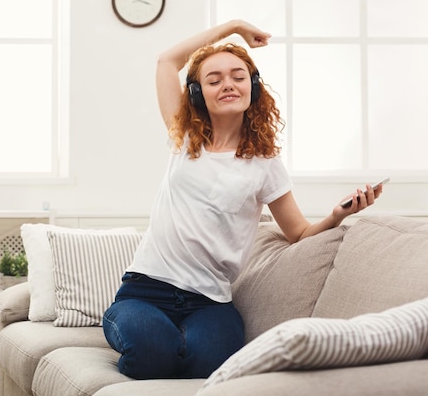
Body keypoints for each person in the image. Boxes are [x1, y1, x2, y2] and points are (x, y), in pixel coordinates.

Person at [102, 19, 383, 380]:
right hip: (146, 290)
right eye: (214, 80)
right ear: (198, 94)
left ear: (253, 87)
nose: (227, 85)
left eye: (237, 76)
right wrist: (232, 28)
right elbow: (166, 62)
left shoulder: (266, 165)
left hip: (210, 302)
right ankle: (148, 337)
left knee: (213, 366)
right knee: (151, 353)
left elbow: (297, 233)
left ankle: (176, 345)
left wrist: (335, 216)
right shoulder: (184, 137)